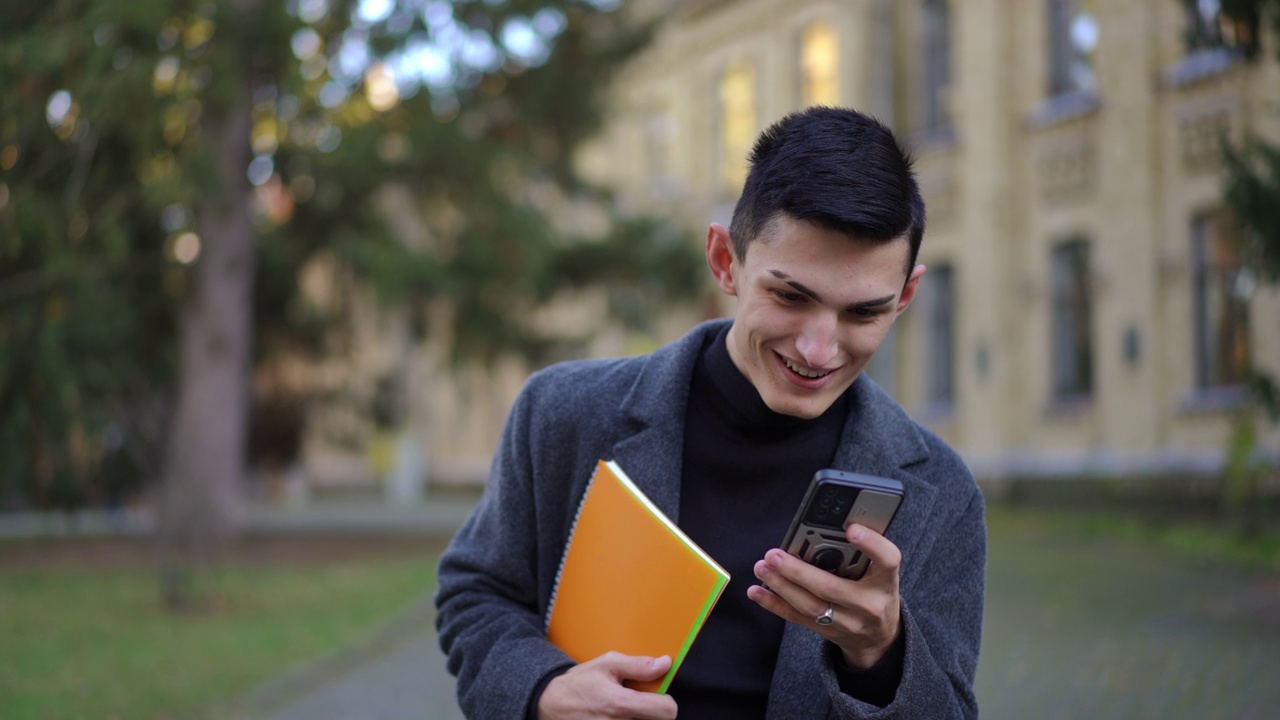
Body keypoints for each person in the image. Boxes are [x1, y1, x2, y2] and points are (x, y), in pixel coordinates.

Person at [435, 106, 985, 719]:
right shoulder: (562, 413)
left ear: (906, 296)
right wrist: (541, 690)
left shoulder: (943, 490)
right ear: (725, 260)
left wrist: (882, 651)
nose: (819, 349)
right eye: (790, 296)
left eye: (863, 313)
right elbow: (477, 594)